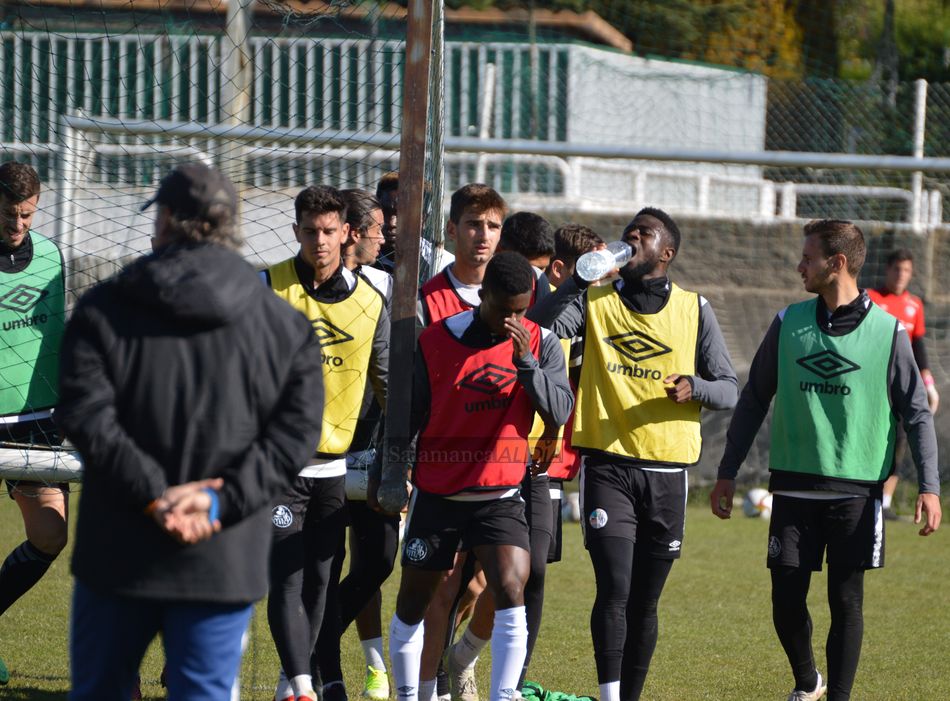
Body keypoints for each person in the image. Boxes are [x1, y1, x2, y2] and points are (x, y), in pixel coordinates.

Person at [57, 162, 324, 700]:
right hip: (220, 555)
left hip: (119, 551)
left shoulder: (103, 308)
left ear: (167, 218)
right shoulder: (285, 325)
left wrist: (154, 496)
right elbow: (295, 436)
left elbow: (87, 416)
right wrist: (219, 500)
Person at [710, 220, 942, 701]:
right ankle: (806, 680)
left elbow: (916, 413)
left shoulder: (888, 331)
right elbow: (753, 398)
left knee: (845, 600)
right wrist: (727, 471)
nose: (799, 266)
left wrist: (930, 486)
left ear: (836, 263)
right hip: (793, 486)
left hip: (857, 491)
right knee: (786, 600)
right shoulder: (787, 322)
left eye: (807, 258)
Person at [529, 207, 738, 701]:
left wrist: (696, 387)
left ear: (666, 253)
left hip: (667, 472)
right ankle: (608, 695)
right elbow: (537, 331)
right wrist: (576, 283)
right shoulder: (596, 299)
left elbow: (729, 389)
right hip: (608, 465)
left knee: (645, 602)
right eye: (629, 232)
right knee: (615, 589)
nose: (631, 238)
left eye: (643, 234)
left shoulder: (695, 308)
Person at [386, 252, 574, 701]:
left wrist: (526, 362)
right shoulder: (434, 340)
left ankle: (503, 695)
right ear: (482, 295)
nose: (512, 318)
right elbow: (407, 415)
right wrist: (394, 471)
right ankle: (411, 695)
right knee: (414, 603)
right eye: (503, 308)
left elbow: (560, 410)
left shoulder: (541, 343)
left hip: (500, 494)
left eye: (521, 310)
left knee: (512, 586)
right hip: (438, 494)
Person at [263, 185, 389, 701]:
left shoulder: (370, 303)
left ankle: (289, 683)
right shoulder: (266, 288)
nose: (320, 241)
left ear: (348, 234)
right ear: (296, 232)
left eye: (329, 231)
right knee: (286, 579)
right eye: (310, 231)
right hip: (275, 466)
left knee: (319, 583)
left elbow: (390, 385)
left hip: (334, 469)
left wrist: (402, 454)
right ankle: (300, 686)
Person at [441, 211, 563, 698]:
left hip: (525, 462)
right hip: (457, 463)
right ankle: (432, 677)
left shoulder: (545, 311)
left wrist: (549, 418)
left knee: (521, 572)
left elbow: (557, 393)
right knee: (454, 579)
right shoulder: (449, 309)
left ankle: (465, 659)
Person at [313, 188, 398, 701]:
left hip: (372, 446)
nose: (385, 237)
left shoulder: (387, 287)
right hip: (318, 449)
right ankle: (327, 677)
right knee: (321, 569)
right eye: (377, 230)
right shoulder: (302, 285)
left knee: (379, 561)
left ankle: (311, 648)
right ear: (352, 233)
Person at [0, 161, 67, 686]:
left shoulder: (51, 256)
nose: (18, 223)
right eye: (9, 212)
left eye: (27, 214)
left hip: (39, 419)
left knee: (50, 534)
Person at [866, 248, 939, 520]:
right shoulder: (871, 299)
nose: (901, 275)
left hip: (900, 388)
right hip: (873, 385)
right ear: (887, 270)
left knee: (896, 443)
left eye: (906, 270)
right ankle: (865, 494)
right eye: (897, 269)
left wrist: (929, 384)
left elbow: (918, 346)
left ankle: (884, 503)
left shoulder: (915, 305)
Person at [418, 183, 506, 326]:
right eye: (474, 224)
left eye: (493, 227)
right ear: (452, 230)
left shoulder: (518, 292)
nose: (484, 236)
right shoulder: (425, 301)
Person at [376, 171, 453, 277]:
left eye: (403, 214)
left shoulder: (444, 266)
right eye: (385, 212)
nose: (392, 223)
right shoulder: (357, 261)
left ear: (423, 219)